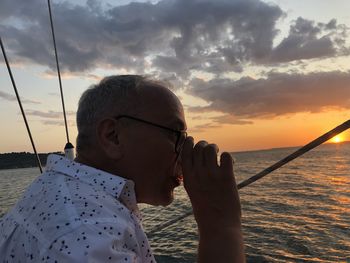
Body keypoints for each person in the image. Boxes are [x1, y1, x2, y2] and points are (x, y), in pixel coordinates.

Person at [0, 75, 245, 262]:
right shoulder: (88, 238)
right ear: (113, 136)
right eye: (176, 135)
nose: (185, 150)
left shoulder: (54, 188)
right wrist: (220, 225)